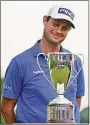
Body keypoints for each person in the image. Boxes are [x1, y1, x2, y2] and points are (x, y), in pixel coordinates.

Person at [1, 4, 85, 123]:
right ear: (45, 20)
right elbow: (6, 108)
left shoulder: (75, 61)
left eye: (65, 28)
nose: (59, 31)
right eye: (56, 24)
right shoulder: (20, 63)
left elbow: (76, 101)